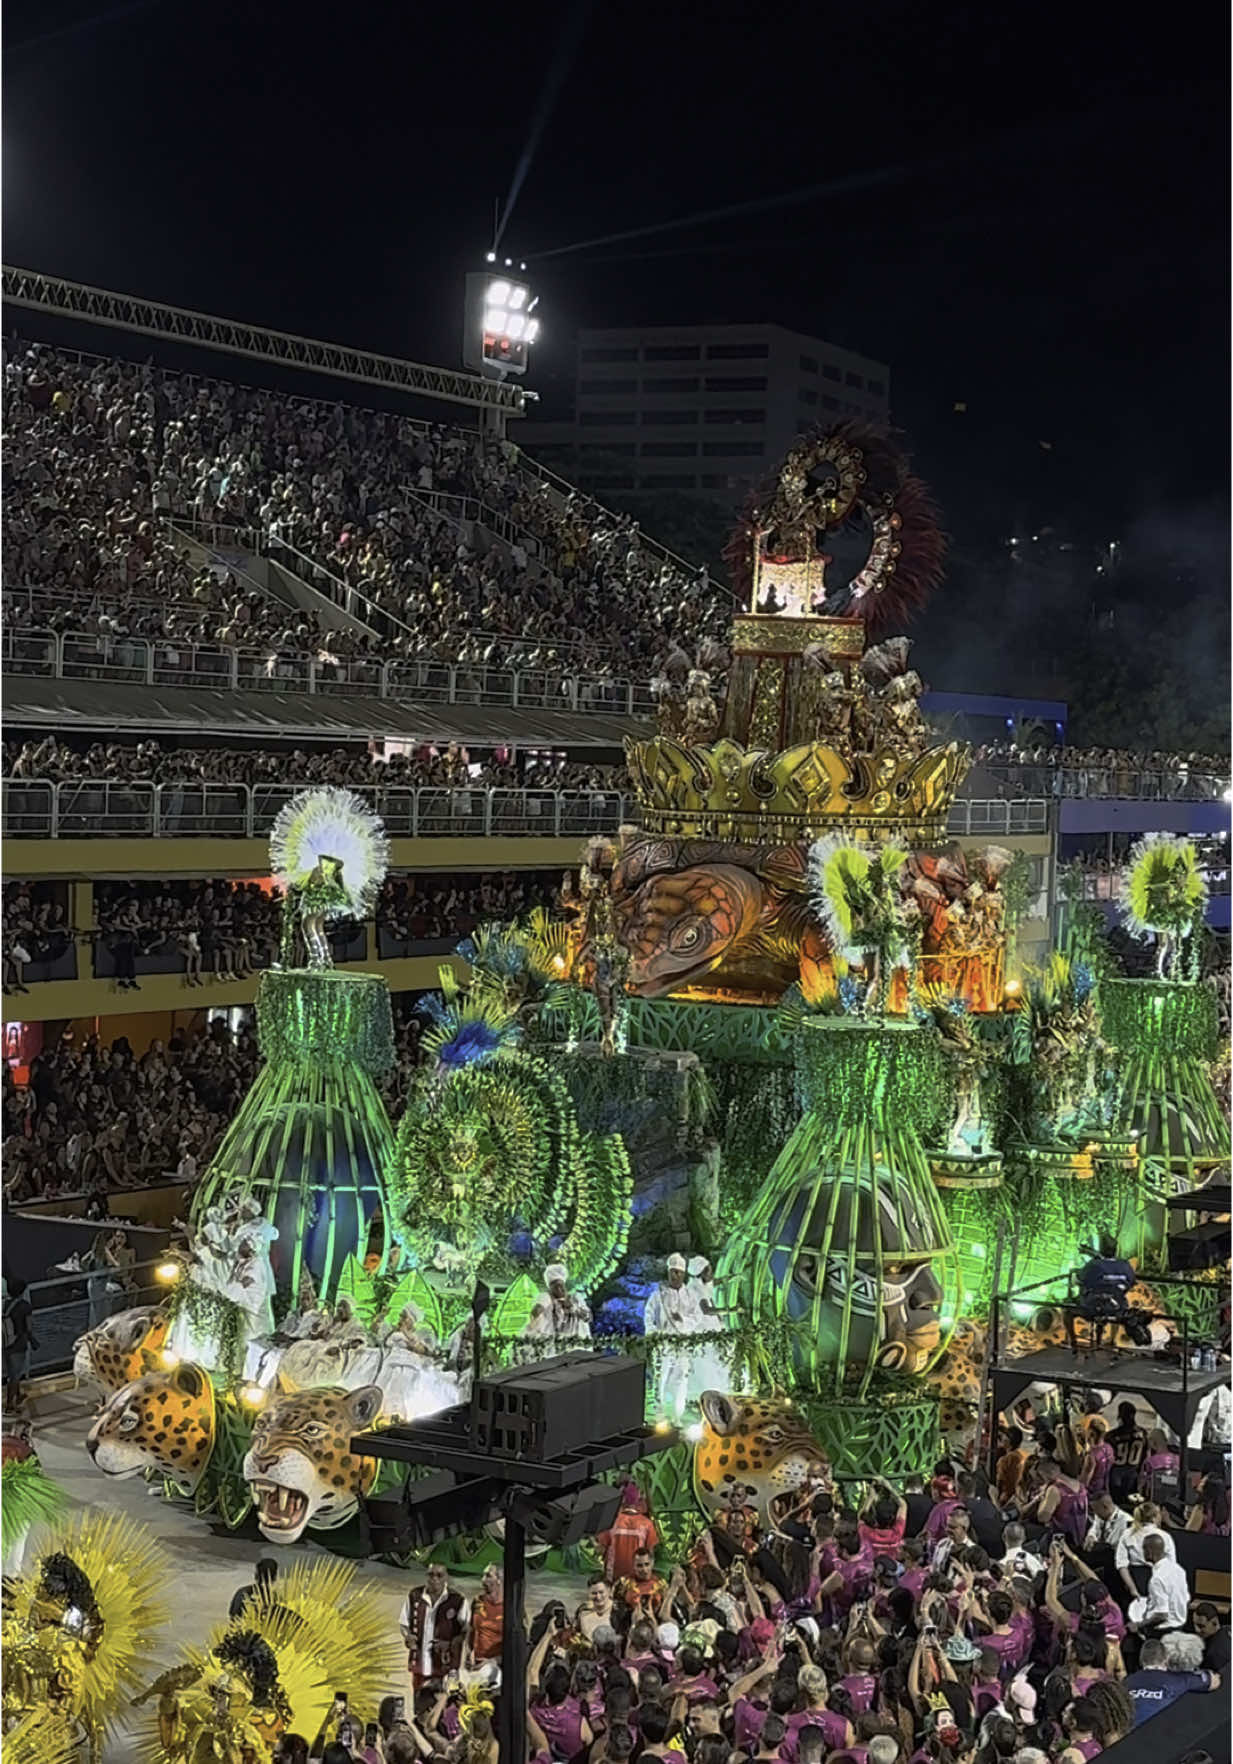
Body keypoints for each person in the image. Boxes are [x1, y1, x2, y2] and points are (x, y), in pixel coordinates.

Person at [398, 1561, 470, 1690]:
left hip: (445, 1665)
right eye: (431, 1575)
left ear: (446, 1577)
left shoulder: (457, 1600)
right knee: (419, 1704)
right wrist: (408, 1636)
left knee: (444, 1704)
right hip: (420, 1663)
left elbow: (466, 1631)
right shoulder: (415, 1596)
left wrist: (450, 1644)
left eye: (439, 1575)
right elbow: (404, 1623)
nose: (434, 1579)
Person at [643, 1252, 694, 1422]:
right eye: (672, 1271)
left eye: (678, 1272)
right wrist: (654, 1334)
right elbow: (648, 1315)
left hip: (683, 1344)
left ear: (683, 1274)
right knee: (661, 1378)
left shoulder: (690, 1296)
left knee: (680, 1380)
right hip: (663, 1344)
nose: (674, 1275)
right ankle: (659, 1413)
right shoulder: (658, 1295)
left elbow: (697, 1318)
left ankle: (676, 1416)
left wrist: (683, 1320)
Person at [1123, 1636, 1220, 1724]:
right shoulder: (1178, 1680)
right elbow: (1214, 1681)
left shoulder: (1126, 1682)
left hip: (1129, 1734)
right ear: (1165, 1659)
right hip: (1163, 1732)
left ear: (1141, 1661)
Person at [1066, 1236, 1135, 1356]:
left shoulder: (1094, 1265)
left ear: (1101, 1249)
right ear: (1116, 1249)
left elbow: (1079, 1280)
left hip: (1093, 1309)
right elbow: (1130, 1283)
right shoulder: (1125, 1265)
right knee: (1112, 1301)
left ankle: (1073, 1343)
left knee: (1067, 1309)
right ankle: (1112, 1342)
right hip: (1116, 1308)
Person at [596, 1482, 658, 1585]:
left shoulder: (611, 1521)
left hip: (612, 1578)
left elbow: (600, 1550)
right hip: (636, 1580)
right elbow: (650, 1553)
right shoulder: (647, 1524)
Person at [1127, 1534, 1191, 1634]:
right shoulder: (1179, 1570)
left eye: (1144, 1549)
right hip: (1180, 1627)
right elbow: (1186, 1599)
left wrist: (1138, 1625)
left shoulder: (1157, 1579)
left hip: (1162, 1631)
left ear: (1149, 1551)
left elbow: (1162, 1615)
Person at [523, 1263, 592, 1346]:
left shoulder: (576, 1298)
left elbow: (588, 1317)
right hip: (559, 1348)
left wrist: (573, 1308)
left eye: (561, 1285)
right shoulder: (547, 1298)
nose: (560, 1289)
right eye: (555, 1287)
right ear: (550, 1289)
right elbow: (536, 1311)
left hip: (579, 1346)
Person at [462, 1562, 502, 1679]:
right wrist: (467, 1655)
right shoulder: (478, 1601)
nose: (483, 1580)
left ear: (499, 1580)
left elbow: (520, 1646)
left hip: (497, 1667)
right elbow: (471, 1631)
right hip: (475, 1664)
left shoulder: (510, 1608)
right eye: (483, 1576)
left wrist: (493, 1661)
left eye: (488, 1576)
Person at [2, 1276, 36, 1412]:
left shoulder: (3, 1304)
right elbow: (28, 1327)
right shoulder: (25, 1306)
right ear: (22, 1291)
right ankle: (10, 1405)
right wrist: (32, 1340)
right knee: (15, 1375)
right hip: (18, 1344)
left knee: (12, 1371)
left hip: (4, 1342)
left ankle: (18, 1394)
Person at [228, 1554, 278, 1619]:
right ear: (274, 1577)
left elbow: (232, 1614)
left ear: (256, 1575)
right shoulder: (272, 1597)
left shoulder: (242, 1592)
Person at [1192, 1602, 1231, 1674]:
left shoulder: (1212, 1654)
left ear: (1214, 1622)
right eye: (1194, 1624)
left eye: (1201, 1626)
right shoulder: (1229, 1628)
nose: (1197, 1630)